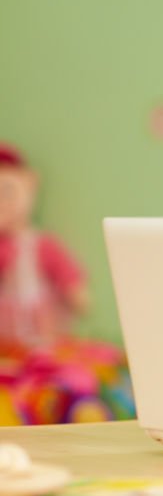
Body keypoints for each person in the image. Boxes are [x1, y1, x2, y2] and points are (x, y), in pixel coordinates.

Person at [0, 143, 89, 353]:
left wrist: (76, 293)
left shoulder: (40, 244)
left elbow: (66, 272)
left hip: (41, 328)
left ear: (29, 185)